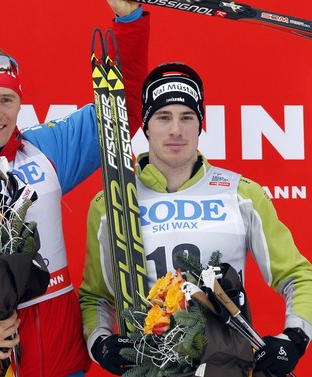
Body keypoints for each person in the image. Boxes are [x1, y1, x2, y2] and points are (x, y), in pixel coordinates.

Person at [79, 2, 312, 376]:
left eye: (187, 117)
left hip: (227, 363)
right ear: (145, 126)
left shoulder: (240, 193)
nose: (176, 130)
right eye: (163, 117)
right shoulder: (111, 202)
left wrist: (294, 338)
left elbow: (298, 276)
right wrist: (100, 341)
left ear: (200, 124)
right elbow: (95, 296)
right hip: (152, 364)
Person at [0, 4, 150, 375]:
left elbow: (120, 111)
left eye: (6, 100)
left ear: (20, 101)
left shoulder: (45, 151)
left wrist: (130, 21)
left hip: (60, 362)